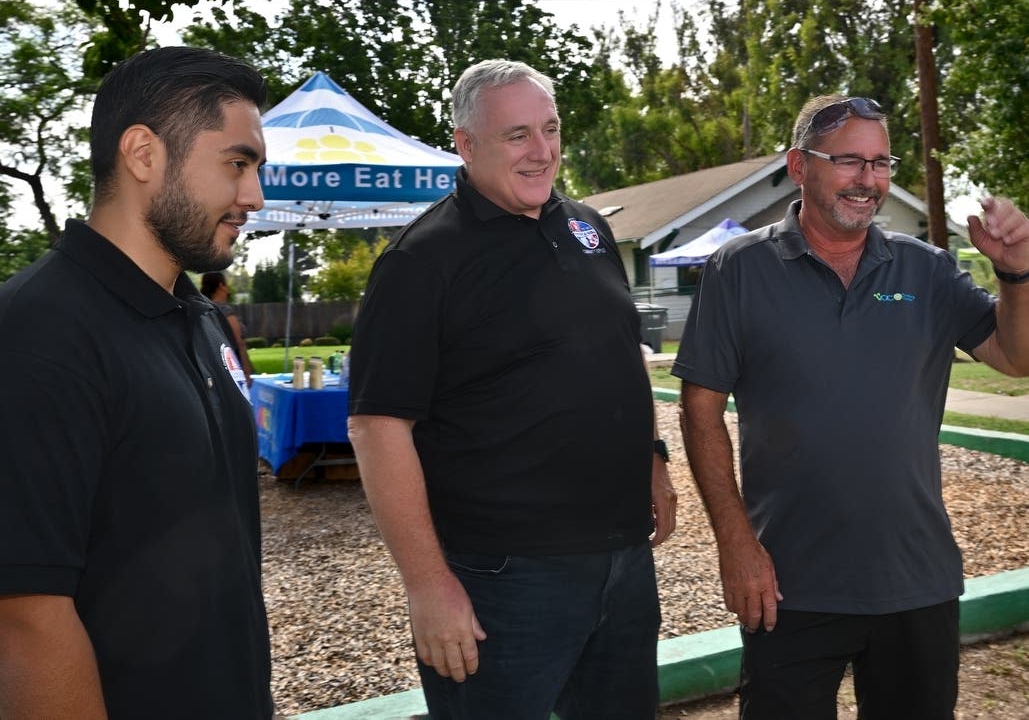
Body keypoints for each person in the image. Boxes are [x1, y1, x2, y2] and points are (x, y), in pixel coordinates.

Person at [674, 94, 1029, 718]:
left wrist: (1017, 278)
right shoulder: (739, 269)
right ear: (798, 165)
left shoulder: (927, 270)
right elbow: (699, 412)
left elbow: (1015, 356)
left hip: (914, 580)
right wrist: (735, 542)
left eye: (881, 162)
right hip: (787, 585)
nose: (869, 180)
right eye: (848, 161)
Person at [347, 59, 678, 719]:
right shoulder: (422, 260)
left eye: (550, 130)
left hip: (620, 560)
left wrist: (654, 462)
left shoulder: (587, 228)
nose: (542, 151)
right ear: (465, 145)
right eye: (517, 135)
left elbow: (617, 357)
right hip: (504, 579)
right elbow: (377, 427)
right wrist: (426, 584)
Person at [0, 46, 274, 718]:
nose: (254, 196)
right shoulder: (37, 331)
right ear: (144, 154)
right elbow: (25, 620)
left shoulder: (200, 317)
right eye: (237, 164)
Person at [202, 270, 255, 386]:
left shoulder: (202, 311)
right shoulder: (225, 312)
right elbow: (239, 343)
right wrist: (246, 371)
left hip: (211, 369)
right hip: (233, 368)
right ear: (221, 286)